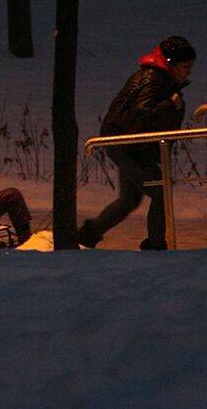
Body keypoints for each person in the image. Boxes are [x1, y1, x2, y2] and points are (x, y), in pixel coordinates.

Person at [77, 35, 196, 250]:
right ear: (171, 63)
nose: (189, 72)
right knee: (160, 191)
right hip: (125, 144)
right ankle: (155, 246)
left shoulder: (159, 80)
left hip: (128, 144)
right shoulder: (153, 80)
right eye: (185, 66)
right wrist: (170, 105)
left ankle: (86, 236)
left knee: (129, 199)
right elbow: (140, 118)